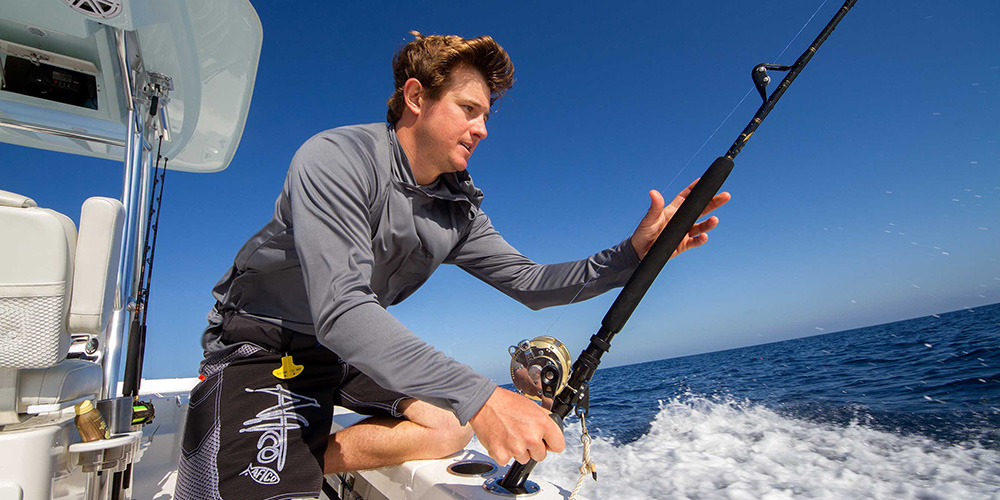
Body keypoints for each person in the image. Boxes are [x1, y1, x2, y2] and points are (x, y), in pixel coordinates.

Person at [175, 32, 730, 500]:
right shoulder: (335, 159)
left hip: (337, 354)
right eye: (468, 109)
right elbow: (342, 308)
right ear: (416, 97)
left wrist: (634, 253)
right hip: (264, 343)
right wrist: (486, 397)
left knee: (446, 425)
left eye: (486, 115)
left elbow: (531, 283)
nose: (482, 128)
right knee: (465, 408)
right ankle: (259, 449)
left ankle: (304, 452)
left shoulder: (457, 210)